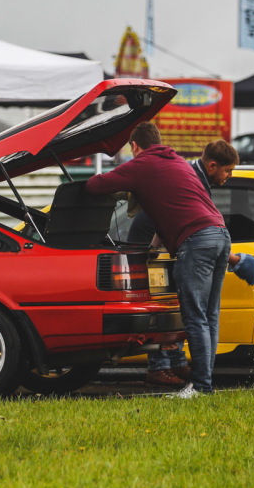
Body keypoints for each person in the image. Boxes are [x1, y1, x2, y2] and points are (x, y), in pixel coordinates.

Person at [84, 123, 234, 398]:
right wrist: (154, 247)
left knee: (195, 317)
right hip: (221, 235)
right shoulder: (177, 162)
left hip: (197, 240)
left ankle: (201, 387)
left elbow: (96, 186)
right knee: (210, 316)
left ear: (136, 146)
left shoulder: (142, 164)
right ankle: (205, 384)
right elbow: (170, 211)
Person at [127, 139, 242, 388]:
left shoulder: (193, 176)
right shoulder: (190, 177)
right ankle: (167, 368)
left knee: (191, 312)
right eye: (227, 170)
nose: (229, 176)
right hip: (156, 242)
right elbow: (165, 220)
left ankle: (187, 371)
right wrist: (151, 250)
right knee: (176, 310)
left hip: (176, 241)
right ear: (212, 166)